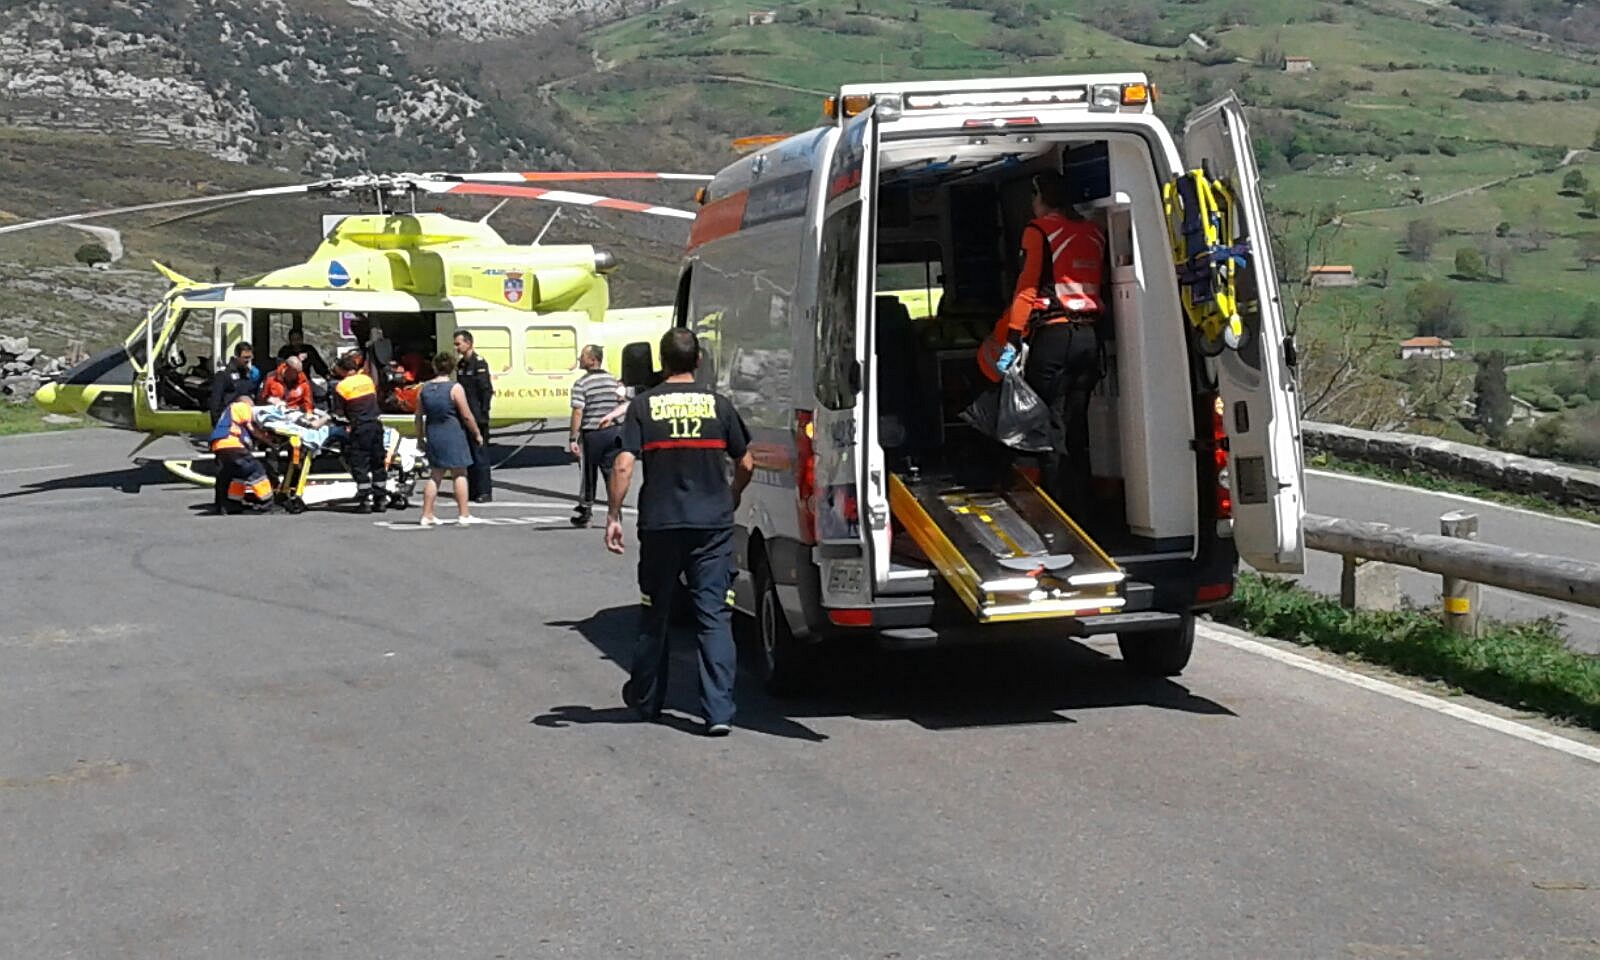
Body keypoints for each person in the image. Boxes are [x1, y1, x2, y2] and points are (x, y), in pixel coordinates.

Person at [605, 328, 754, 737]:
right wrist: (732, 495)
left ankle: (649, 699)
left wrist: (614, 515)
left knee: (657, 613)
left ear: (663, 362)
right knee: (714, 616)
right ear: (699, 361)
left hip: (662, 524)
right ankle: (719, 711)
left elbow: (623, 464)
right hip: (712, 525)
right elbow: (747, 461)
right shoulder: (719, 406)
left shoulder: (643, 406)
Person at [975, 170, 1107, 497]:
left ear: (1040, 197)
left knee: (1039, 420)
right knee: (1074, 425)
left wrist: (1012, 340)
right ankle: (1080, 502)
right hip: (1089, 340)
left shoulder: (1039, 231)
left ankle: (1051, 500)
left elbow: (1027, 288)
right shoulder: (1094, 233)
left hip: (1053, 338)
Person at [414, 352, 484, 527]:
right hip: (452, 433)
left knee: (435, 474)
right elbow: (466, 415)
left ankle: (427, 513)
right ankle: (463, 514)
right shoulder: (455, 388)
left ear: (435, 367)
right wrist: (476, 433)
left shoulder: (424, 388)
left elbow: (418, 416)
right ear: (452, 368)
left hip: (433, 432)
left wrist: (419, 437)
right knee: (459, 473)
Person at [568, 344, 628, 528]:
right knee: (611, 472)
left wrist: (573, 437)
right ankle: (616, 510)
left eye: (583, 357)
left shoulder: (582, 383)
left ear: (593, 360)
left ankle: (586, 510)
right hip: (613, 431)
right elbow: (623, 403)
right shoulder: (614, 381)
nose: (580, 359)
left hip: (592, 433)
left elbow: (578, 411)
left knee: (588, 473)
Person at [331, 352, 388, 514]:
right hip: (375, 425)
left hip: (360, 428)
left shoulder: (341, 387)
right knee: (378, 462)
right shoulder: (367, 380)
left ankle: (365, 501)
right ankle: (380, 500)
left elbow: (339, 415)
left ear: (342, 370)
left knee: (360, 463)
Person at [208, 394, 274, 514]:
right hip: (233, 444)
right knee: (255, 470)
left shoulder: (227, 414)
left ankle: (231, 504)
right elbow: (252, 429)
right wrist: (270, 442)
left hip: (219, 446)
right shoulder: (241, 406)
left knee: (234, 475)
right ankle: (267, 503)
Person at [454, 329, 494, 503]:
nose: (456, 347)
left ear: (468, 343)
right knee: (468, 454)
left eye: (458, 343)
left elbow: (486, 390)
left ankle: (484, 491)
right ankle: (473, 490)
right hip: (465, 415)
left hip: (477, 416)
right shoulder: (461, 365)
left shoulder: (479, 364)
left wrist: (483, 414)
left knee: (480, 454)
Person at [209, 341, 258, 425]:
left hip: (245, 419)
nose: (248, 361)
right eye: (245, 358)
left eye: (250, 357)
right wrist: (218, 423)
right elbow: (215, 402)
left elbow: (251, 394)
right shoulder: (223, 375)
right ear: (237, 356)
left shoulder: (247, 374)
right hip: (228, 419)